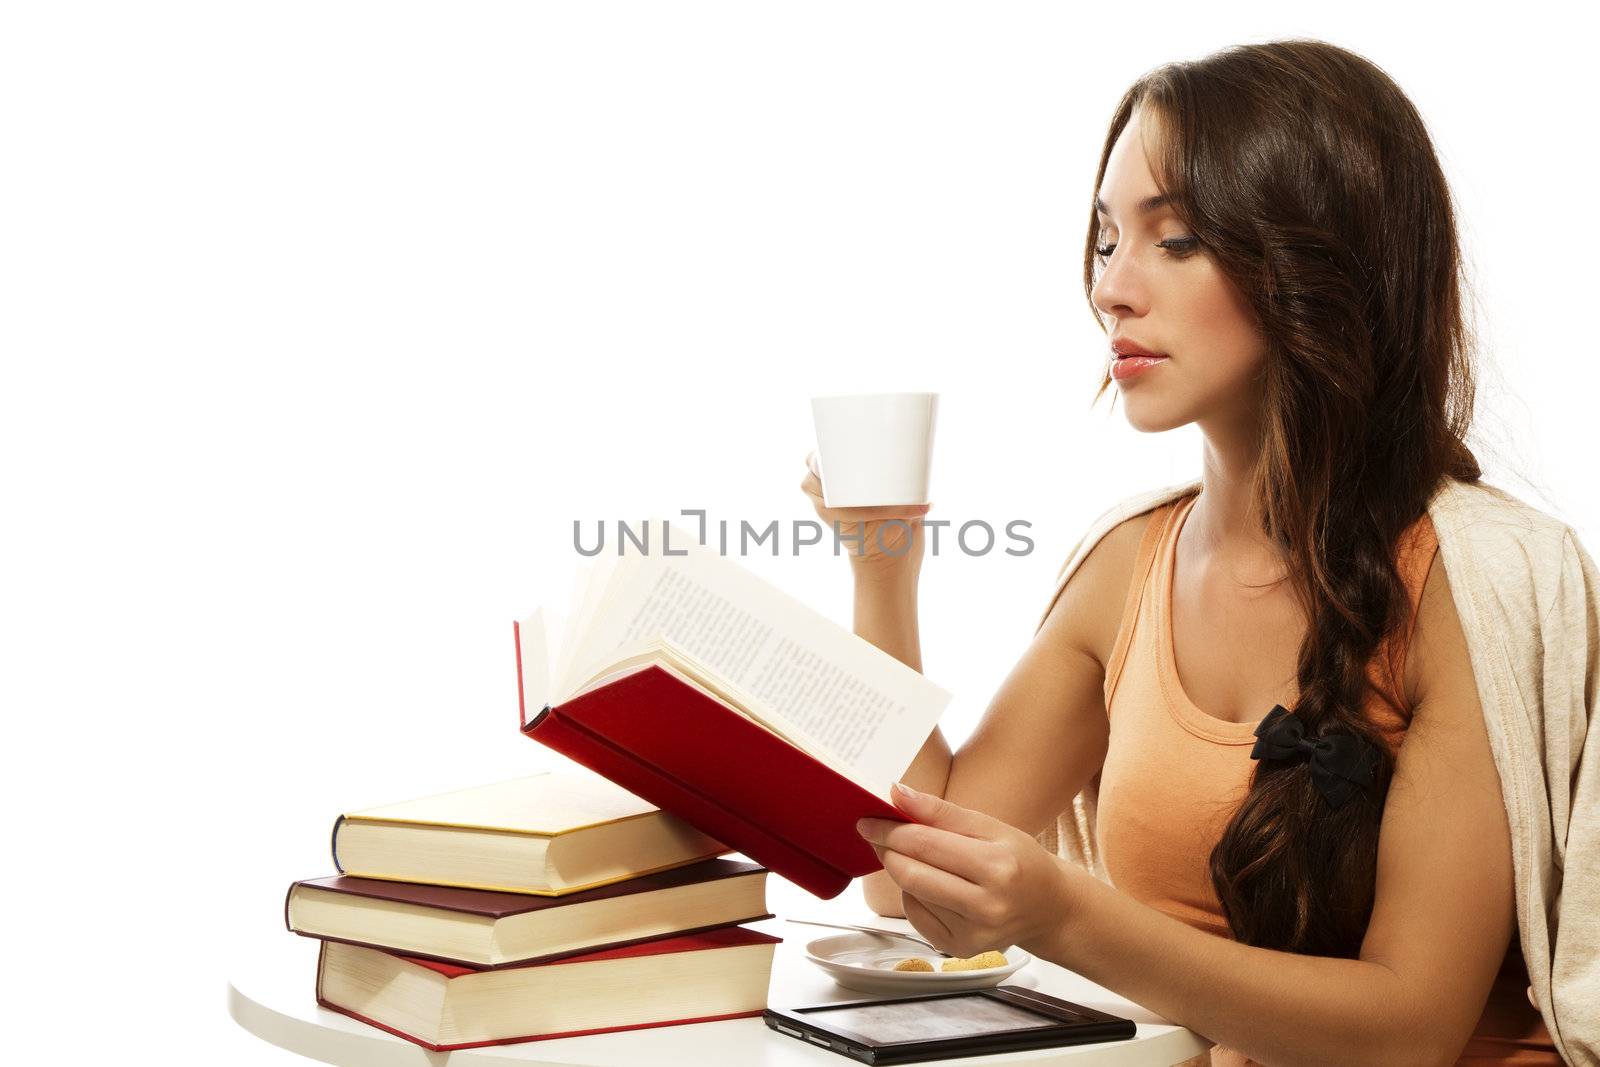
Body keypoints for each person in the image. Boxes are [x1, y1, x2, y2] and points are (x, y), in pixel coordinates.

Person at [800, 40, 1571, 1066]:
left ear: (1317, 261)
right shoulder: (1129, 562)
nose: (1111, 290)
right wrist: (880, 568)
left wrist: (1065, 914)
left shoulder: (1477, 581)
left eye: (1176, 239)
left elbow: (1409, 1026)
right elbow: (906, 879)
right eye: (1106, 239)